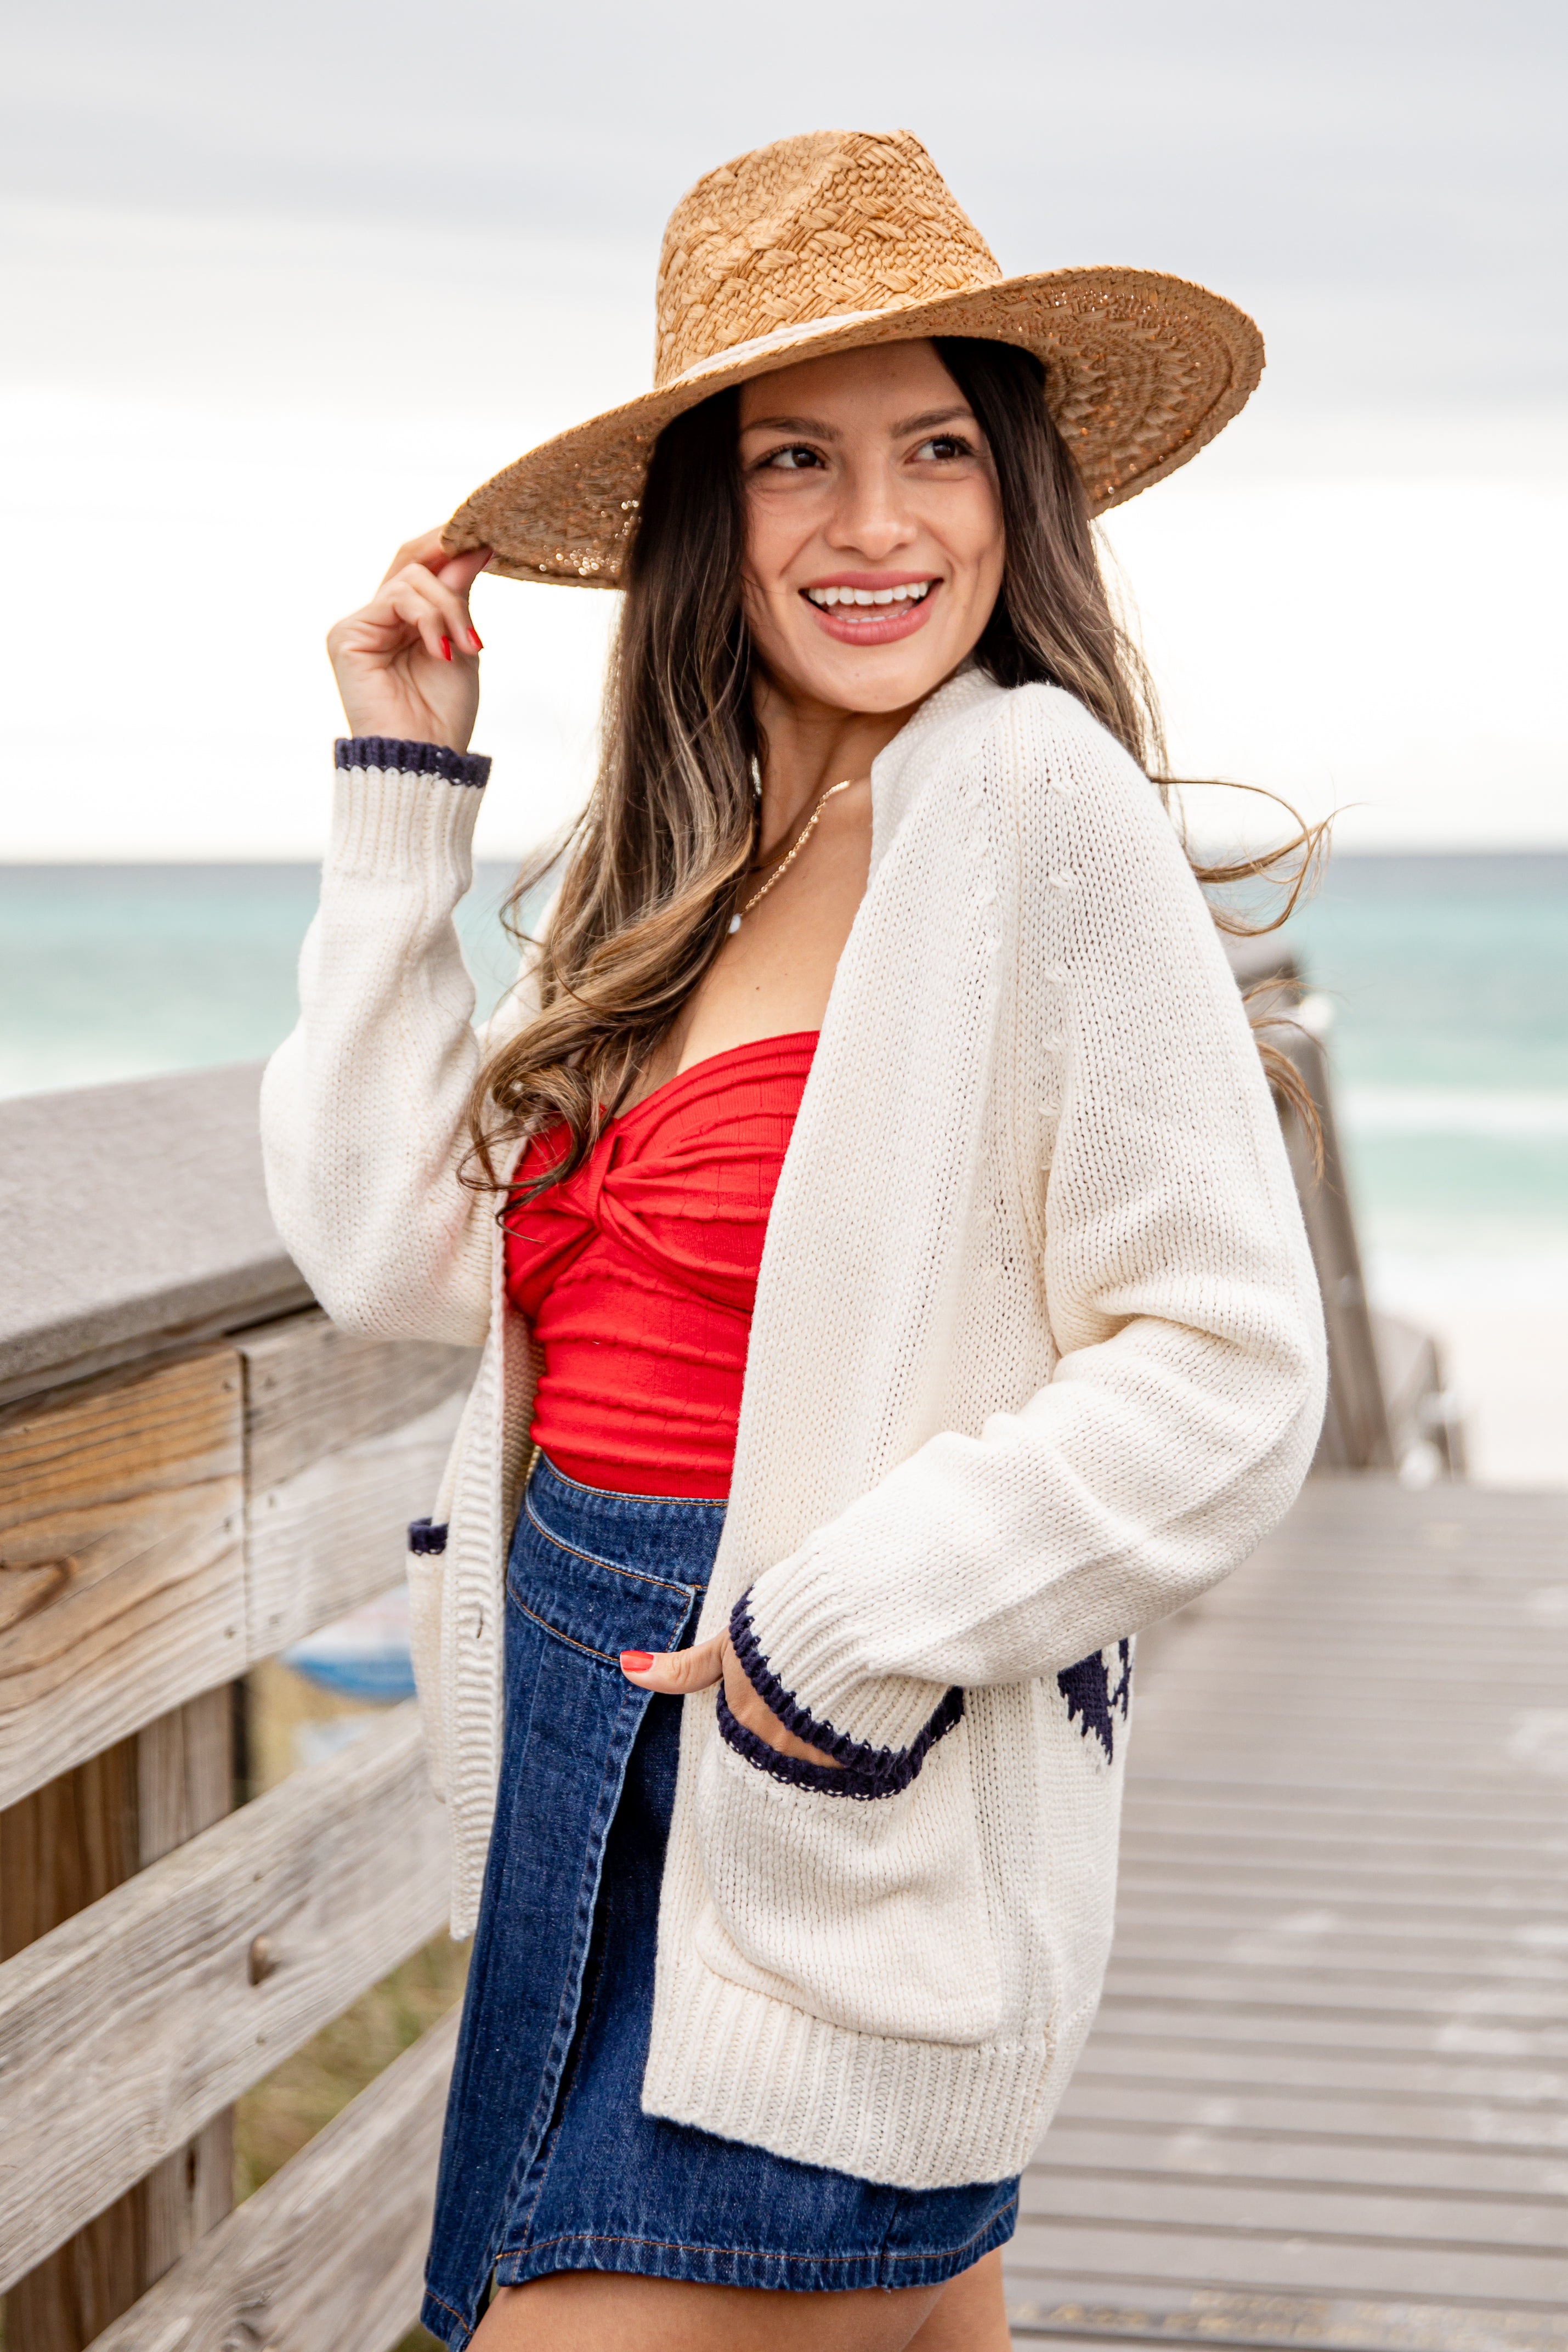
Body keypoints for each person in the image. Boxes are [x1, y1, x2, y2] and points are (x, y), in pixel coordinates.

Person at [262, 128, 1326, 2352]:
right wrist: (399, 806)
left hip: (820, 1757)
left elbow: (1228, 1365)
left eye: (937, 449)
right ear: (700, 520)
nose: (875, 526)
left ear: (1015, 494)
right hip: (577, 1761)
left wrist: (837, 1632)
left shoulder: (1032, 802)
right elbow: (389, 1252)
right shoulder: (690, 855)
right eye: (793, 462)